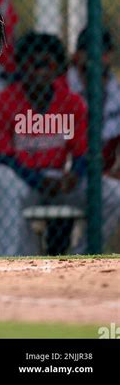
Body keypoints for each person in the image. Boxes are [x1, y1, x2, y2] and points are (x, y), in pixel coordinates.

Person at [0, 33, 88, 256]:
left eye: (46, 64)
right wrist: (39, 181)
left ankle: (81, 257)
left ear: (58, 68)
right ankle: (6, 261)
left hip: (59, 180)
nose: (39, 71)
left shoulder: (72, 102)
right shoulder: (4, 101)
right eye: (32, 64)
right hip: (23, 181)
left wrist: (75, 175)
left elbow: (83, 153)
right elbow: (3, 157)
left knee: (111, 192)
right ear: (21, 67)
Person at [67, 27, 120, 246]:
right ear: (77, 55)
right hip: (68, 172)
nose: (99, 58)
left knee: (114, 193)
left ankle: (82, 258)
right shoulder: (63, 87)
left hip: (103, 171)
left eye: (104, 52)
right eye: (90, 52)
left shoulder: (115, 90)